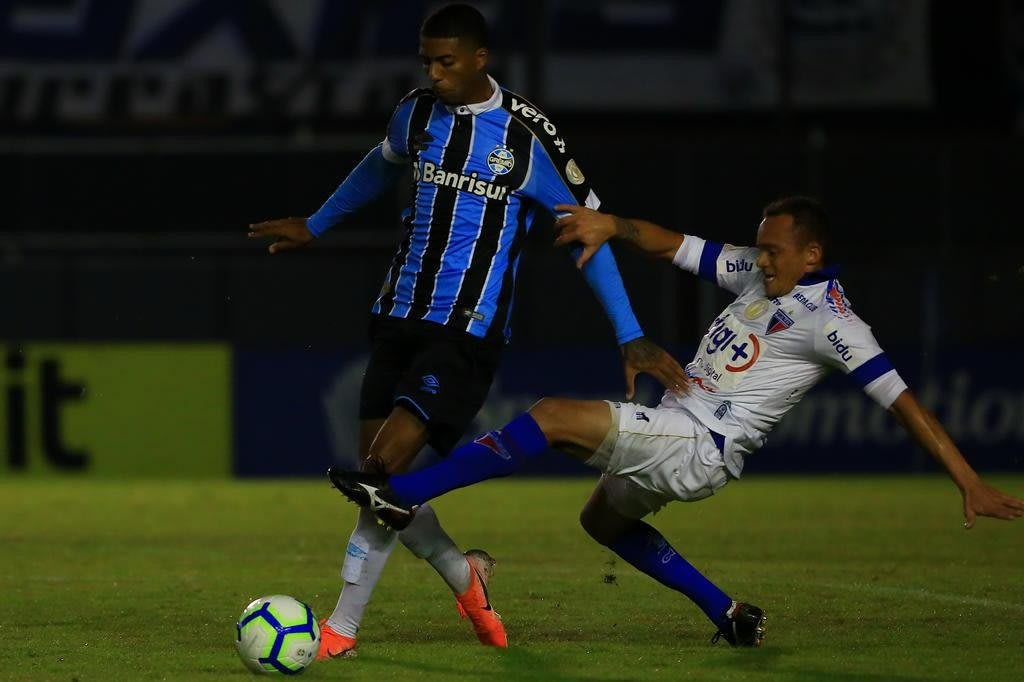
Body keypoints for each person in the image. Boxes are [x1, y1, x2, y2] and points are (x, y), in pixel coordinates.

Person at [328, 196, 1024, 647]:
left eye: (775, 250)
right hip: (680, 428)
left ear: (811, 254)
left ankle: (403, 495)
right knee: (602, 522)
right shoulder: (760, 274)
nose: (762, 258)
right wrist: (613, 226)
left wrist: (969, 481)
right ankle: (728, 614)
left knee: (549, 416)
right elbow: (676, 245)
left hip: (700, 442)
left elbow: (904, 401)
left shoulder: (834, 323)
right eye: (760, 247)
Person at [248, 4, 686, 658]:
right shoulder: (416, 113)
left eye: (446, 62)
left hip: (465, 333)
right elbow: (380, 162)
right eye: (427, 61)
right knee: (383, 486)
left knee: (382, 472)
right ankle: (465, 576)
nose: (434, 73)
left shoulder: (526, 134)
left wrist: (629, 333)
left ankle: (341, 629)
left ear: (480, 59)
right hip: (397, 315)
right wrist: (318, 223)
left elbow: (587, 236)